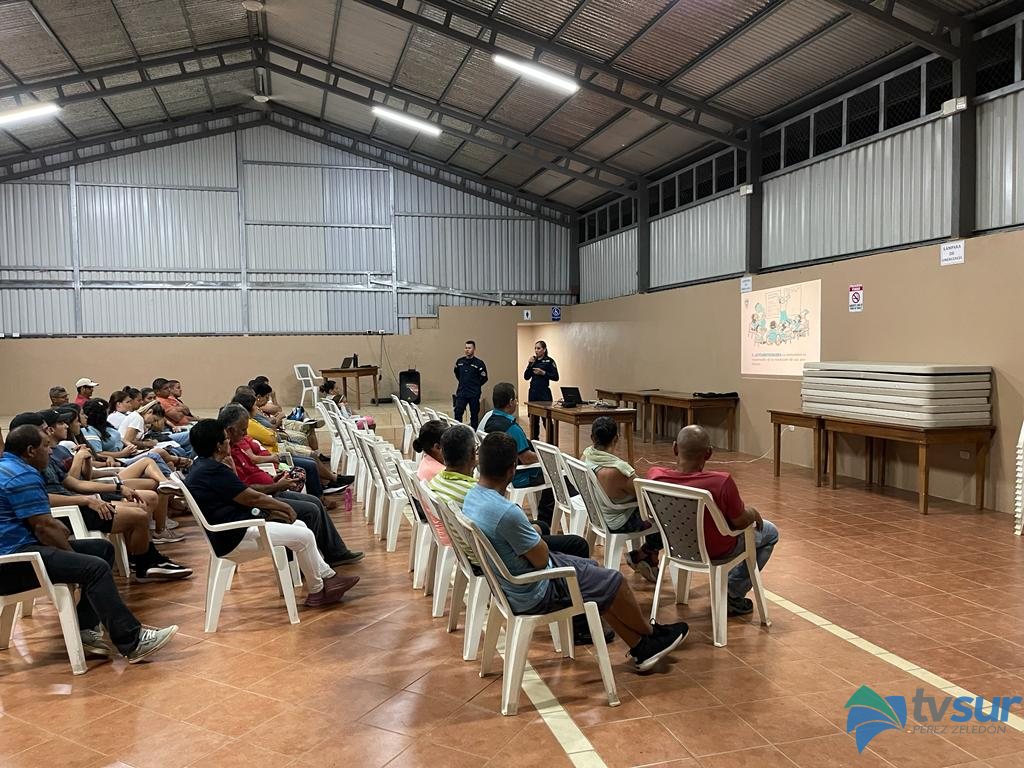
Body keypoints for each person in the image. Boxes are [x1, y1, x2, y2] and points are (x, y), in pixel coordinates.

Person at [463, 433, 687, 671]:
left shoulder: (472, 497)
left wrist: (531, 534)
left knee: (596, 574)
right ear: (512, 470)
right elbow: (540, 559)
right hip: (535, 590)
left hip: (510, 585)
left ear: (480, 463)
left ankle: (641, 646)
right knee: (614, 580)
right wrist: (533, 534)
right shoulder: (507, 513)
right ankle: (651, 633)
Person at [0, 424, 179, 662]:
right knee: (94, 567)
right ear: (31, 450)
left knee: (102, 549)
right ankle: (133, 641)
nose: (50, 451)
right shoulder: (22, 475)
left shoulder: (8, 468)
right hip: (15, 564)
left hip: (17, 554)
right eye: (46, 446)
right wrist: (73, 558)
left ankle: (85, 628)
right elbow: (44, 528)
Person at [184, 420, 359, 608]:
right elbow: (251, 498)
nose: (229, 442)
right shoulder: (213, 470)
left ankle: (329, 578)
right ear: (218, 446)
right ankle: (317, 591)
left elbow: (237, 492)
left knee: (300, 526)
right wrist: (283, 507)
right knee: (305, 535)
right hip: (234, 536)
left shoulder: (202, 466)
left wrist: (233, 471)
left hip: (235, 528)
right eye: (226, 439)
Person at [18, 411, 192, 578]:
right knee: (138, 514)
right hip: (70, 511)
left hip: (80, 501)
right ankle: (144, 563)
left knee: (140, 506)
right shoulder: (24, 470)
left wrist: (117, 488)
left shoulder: (47, 457)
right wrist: (86, 499)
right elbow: (46, 499)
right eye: (44, 430)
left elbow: (76, 482)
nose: (48, 434)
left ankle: (145, 558)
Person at [647, 425, 779, 616]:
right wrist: (753, 513)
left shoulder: (655, 477)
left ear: (675, 448)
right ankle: (732, 592)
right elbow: (740, 522)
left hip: (676, 546)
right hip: (717, 550)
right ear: (708, 453)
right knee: (770, 532)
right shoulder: (721, 482)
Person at [217, 404, 363, 566]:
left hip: (270, 490)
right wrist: (277, 487)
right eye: (242, 430)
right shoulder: (226, 457)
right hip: (261, 501)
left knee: (314, 501)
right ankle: (306, 564)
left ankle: (334, 553)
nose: (245, 433)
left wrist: (274, 480)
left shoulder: (237, 445)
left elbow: (252, 473)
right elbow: (246, 492)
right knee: (311, 510)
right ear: (230, 430)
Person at [582, 416, 662, 583]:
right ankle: (644, 554)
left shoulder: (586, 456)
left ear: (592, 438)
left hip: (598, 515)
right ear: (616, 438)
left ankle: (647, 556)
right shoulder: (618, 470)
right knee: (665, 517)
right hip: (619, 521)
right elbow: (645, 496)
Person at [482, 382, 556, 533]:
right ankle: (544, 523)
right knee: (555, 476)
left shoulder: (489, 420)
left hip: (498, 469)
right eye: (515, 398)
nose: (516, 401)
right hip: (519, 475)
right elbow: (526, 458)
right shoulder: (511, 428)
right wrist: (546, 457)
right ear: (510, 402)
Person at [523, 340, 558, 439]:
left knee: (546, 420)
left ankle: (551, 441)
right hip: (533, 393)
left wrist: (543, 373)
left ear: (544, 349)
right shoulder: (533, 361)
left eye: (538, 348)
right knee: (533, 420)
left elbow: (556, 377)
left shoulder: (549, 361)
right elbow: (526, 377)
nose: (536, 350)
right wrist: (529, 364)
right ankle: (535, 441)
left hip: (544, 393)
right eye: (535, 348)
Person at [453, 340, 488, 429]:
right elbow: (457, 374)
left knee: (474, 415)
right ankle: (458, 432)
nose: (467, 350)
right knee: (458, 412)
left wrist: (476, 386)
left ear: (474, 349)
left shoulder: (479, 363)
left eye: (469, 348)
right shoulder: (459, 362)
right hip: (462, 392)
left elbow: (484, 378)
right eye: (466, 348)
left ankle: (474, 433)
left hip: (473, 393)